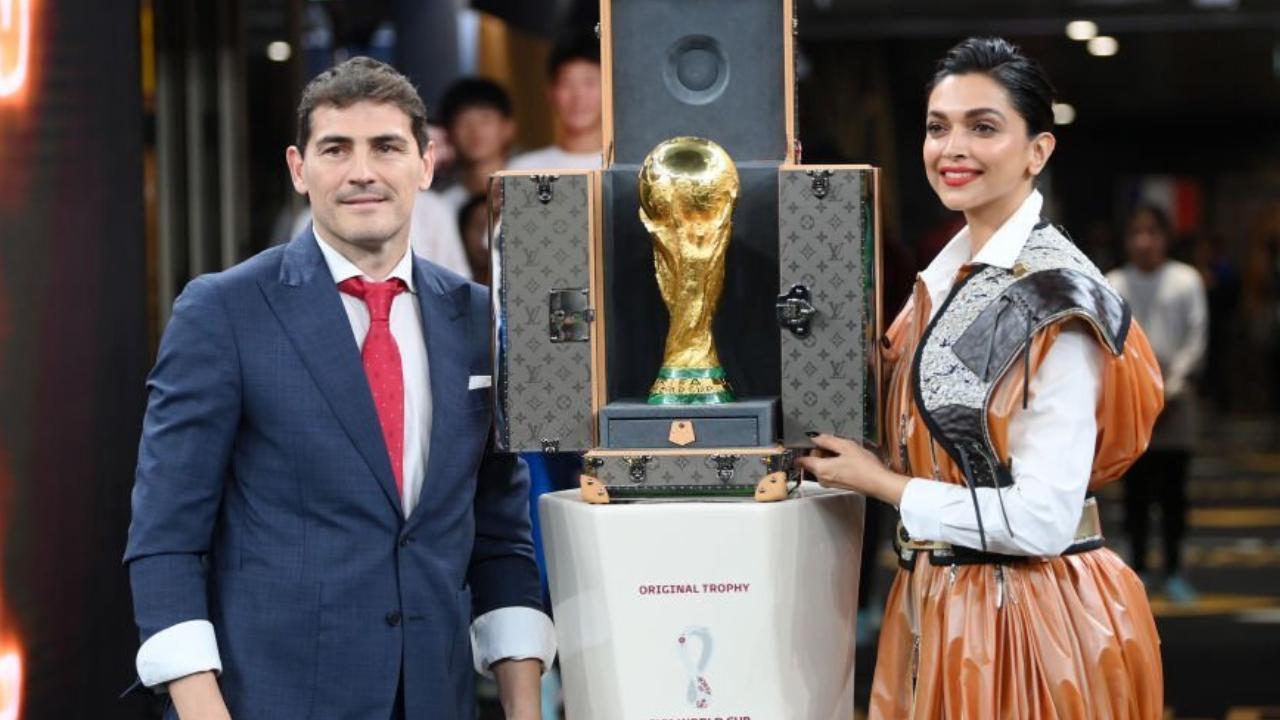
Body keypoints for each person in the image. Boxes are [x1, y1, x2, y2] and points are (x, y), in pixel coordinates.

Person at [124, 57, 553, 720]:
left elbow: (500, 534)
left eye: (386, 147)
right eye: (335, 149)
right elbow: (166, 536)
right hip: (267, 700)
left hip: (437, 700)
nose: (362, 172)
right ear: (300, 169)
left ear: (426, 163)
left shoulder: (475, 317)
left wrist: (526, 710)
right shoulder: (223, 312)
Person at [796, 38, 1165, 717]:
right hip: (943, 602)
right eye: (939, 127)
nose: (951, 147)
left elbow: (1041, 520)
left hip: (1030, 624)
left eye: (983, 127)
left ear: (1038, 152)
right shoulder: (945, 276)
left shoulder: (1055, 297)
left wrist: (879, 482)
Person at [1109, 204, 1208, 601]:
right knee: (1134, 492)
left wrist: (1171, 389)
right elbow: (1108, 343)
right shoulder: (1114, 282)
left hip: (1178, 403)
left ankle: (1174, 568)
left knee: (1173, 491)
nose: (1144, 241)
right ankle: (1138, 569)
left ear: (1166, 237)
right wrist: (1139, 391)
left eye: (1152, 232)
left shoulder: (1185, 280)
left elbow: (1195, 339)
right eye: (1136, 233)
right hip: (1132, 404)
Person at [508, 34, 603, 171]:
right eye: (566, 82)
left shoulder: (632, 172)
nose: (578, 96)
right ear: (551, 92)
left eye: (589, 82)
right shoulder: (523, 170)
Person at [436, 78, 517, 213]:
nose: (475, 130)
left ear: (508, 128)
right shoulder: (441, 206)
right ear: (448, 133)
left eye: (485, 119)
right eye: (464, 120)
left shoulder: (534, 190)